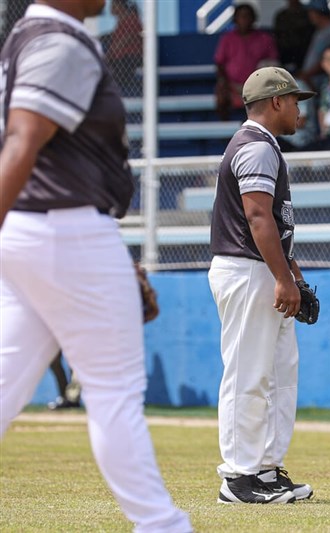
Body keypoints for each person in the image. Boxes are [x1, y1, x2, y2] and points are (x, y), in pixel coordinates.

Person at [0, 1, 192, 530]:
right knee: (114, 394)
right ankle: (163, 525)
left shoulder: (28, 34)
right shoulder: (57, 40)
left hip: (44, 230)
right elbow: (21, 140)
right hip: (63, 229)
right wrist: (93, 250)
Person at [207, 66, 316, 505]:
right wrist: (281, 277)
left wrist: (292, 273)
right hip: (248, 269)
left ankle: (266, 468)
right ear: (276, 101)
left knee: (278, 373)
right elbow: (256, 218)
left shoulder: (263, 145)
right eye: (294, 101)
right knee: (248, 373)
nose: (297, 110)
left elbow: (272, 221)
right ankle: (237, 475)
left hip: (261, 269)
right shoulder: (255, 147)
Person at [214, 3, 280, 121]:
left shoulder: (264, 38)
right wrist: (223, 80)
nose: (244, 20)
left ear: (253, 18)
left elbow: (273, 62)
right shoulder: (227, 39)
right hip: (232, 85)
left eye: (247, 16)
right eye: (241, 16)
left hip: (258, 85)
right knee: (221, 93)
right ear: (235, 19)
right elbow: (219, 63)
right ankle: (225, 130)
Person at [103, 0, 142, 96]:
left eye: (113, 4)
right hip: (118, 61)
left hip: (129, 61)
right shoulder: (121, 23)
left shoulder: (131, 20)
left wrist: (105, 57)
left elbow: (120, 44)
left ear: (120, 5)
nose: (110, 7)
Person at [273, 0, 314, 73]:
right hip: (285, 55)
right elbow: (278, 36)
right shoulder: (281, 15)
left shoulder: (307, 14)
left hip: (305, 55)